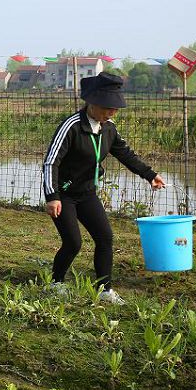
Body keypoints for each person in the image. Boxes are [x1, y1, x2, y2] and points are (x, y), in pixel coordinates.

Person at [43, 73, 165, 305]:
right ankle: (56, 283)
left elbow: (126, 154)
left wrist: (150, 175)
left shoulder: (109, 129)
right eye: (108, 108)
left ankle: (104, 290)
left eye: (115, 108)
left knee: (105, 238)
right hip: (63, 195)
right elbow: (51, 163)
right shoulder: (71, 126)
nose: (112, 113)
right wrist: (52, 196)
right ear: (92, 102)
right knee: (73, 242)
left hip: (87, 193)